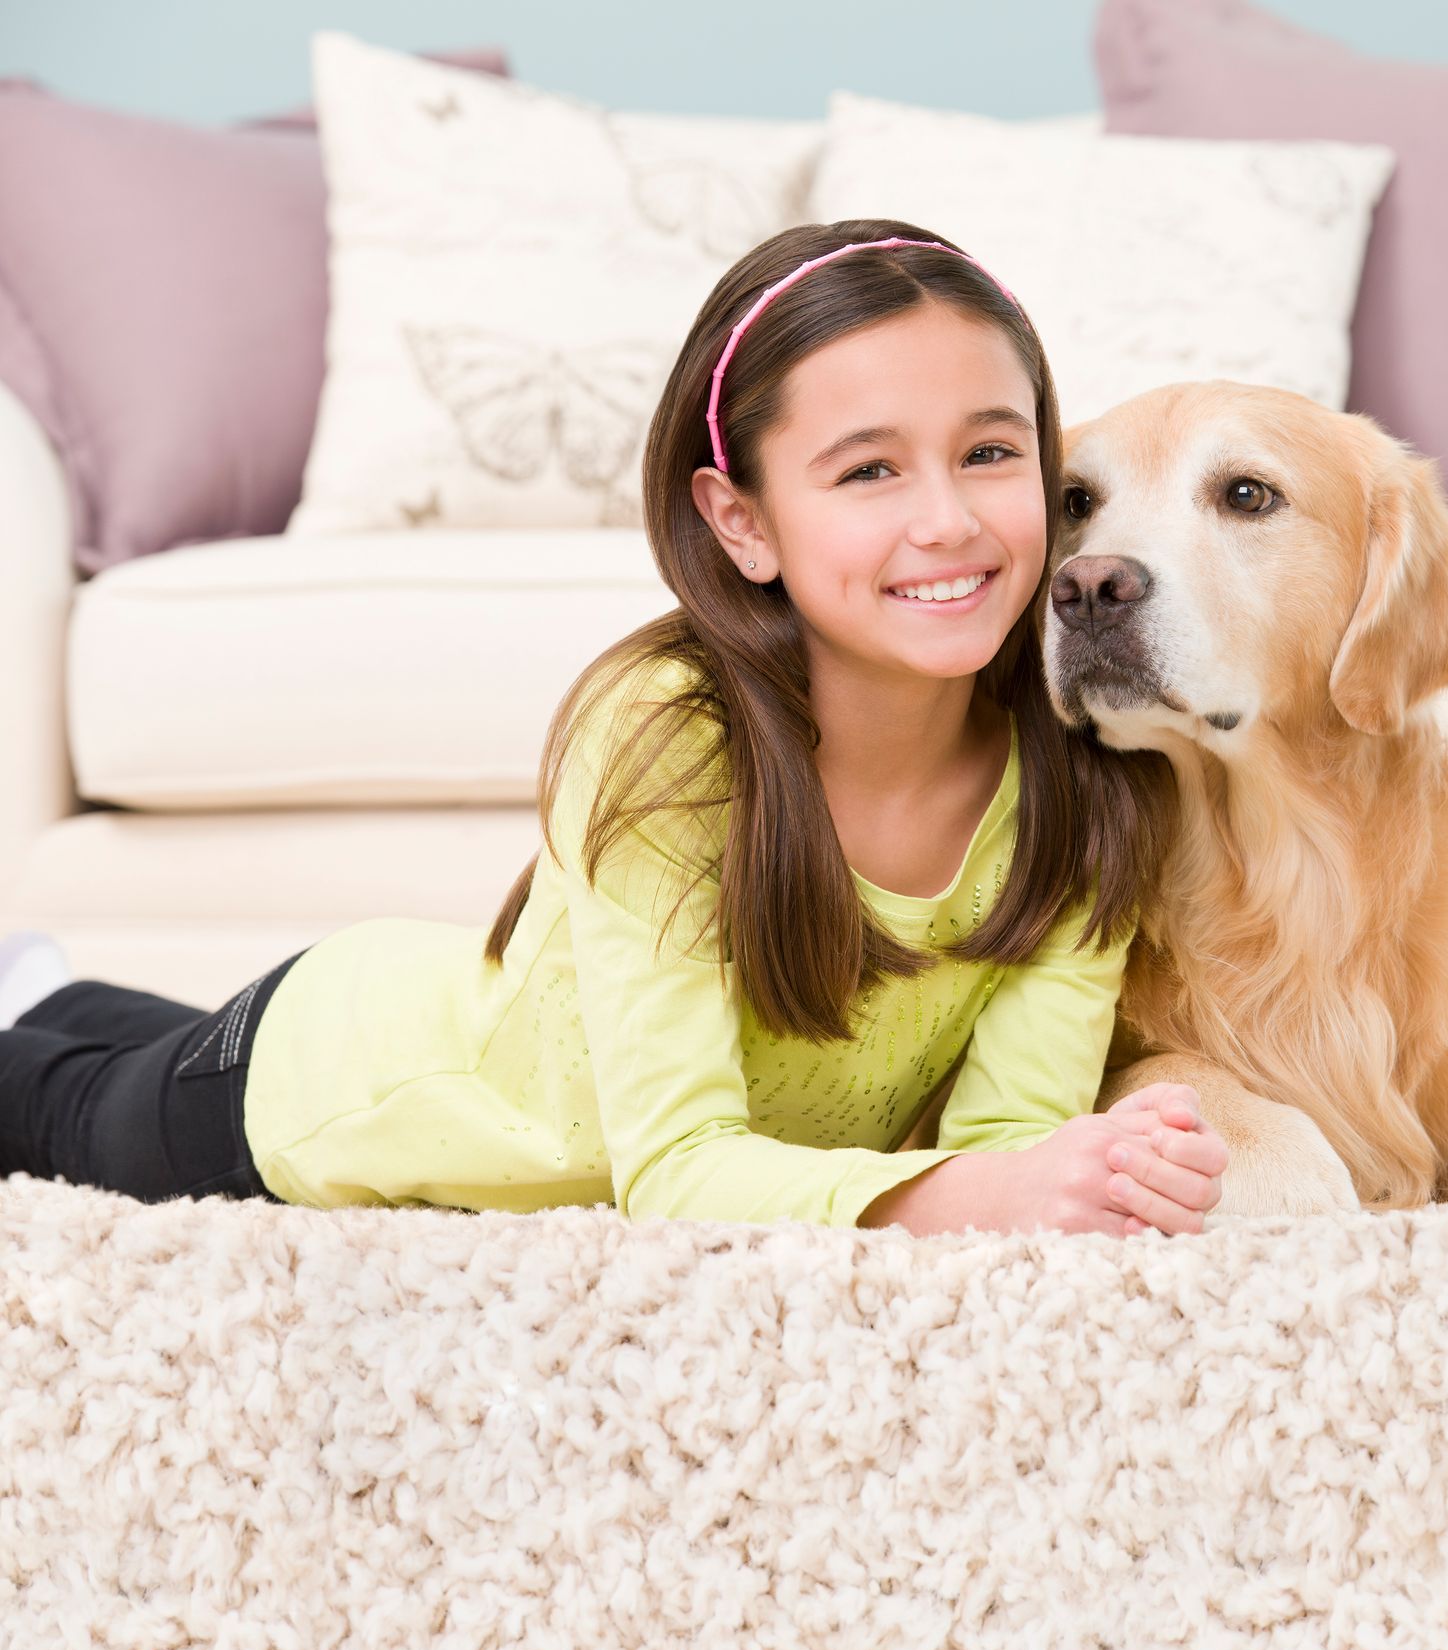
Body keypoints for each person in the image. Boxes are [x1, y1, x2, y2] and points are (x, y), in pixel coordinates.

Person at [0, 217, 1228, 1238]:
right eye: (869, 471)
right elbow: (679, 1174)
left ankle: (49, 983)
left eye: (991, 452)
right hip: (334, 1081)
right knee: (56, 1106)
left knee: (94, 1025)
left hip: (484, 1021)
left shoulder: (1082, 776)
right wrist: (987, 1189)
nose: (950, 518)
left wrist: (1062, 1178)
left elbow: (1004, 1156)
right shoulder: (667, 739)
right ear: (741, 522)